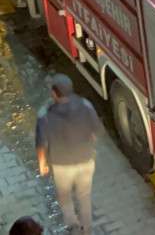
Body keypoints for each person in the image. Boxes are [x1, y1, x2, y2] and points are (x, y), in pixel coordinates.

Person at [36, 74, 100, 235]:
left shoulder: (45, 114)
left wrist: (42, 164)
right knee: (84, 197)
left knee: (64, 197)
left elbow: (41, 144)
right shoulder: (85, 105)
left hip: (62, 166)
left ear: (54, 93)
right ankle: (87, 231)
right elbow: (96, 132)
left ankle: (73, 228)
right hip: (85, 161)